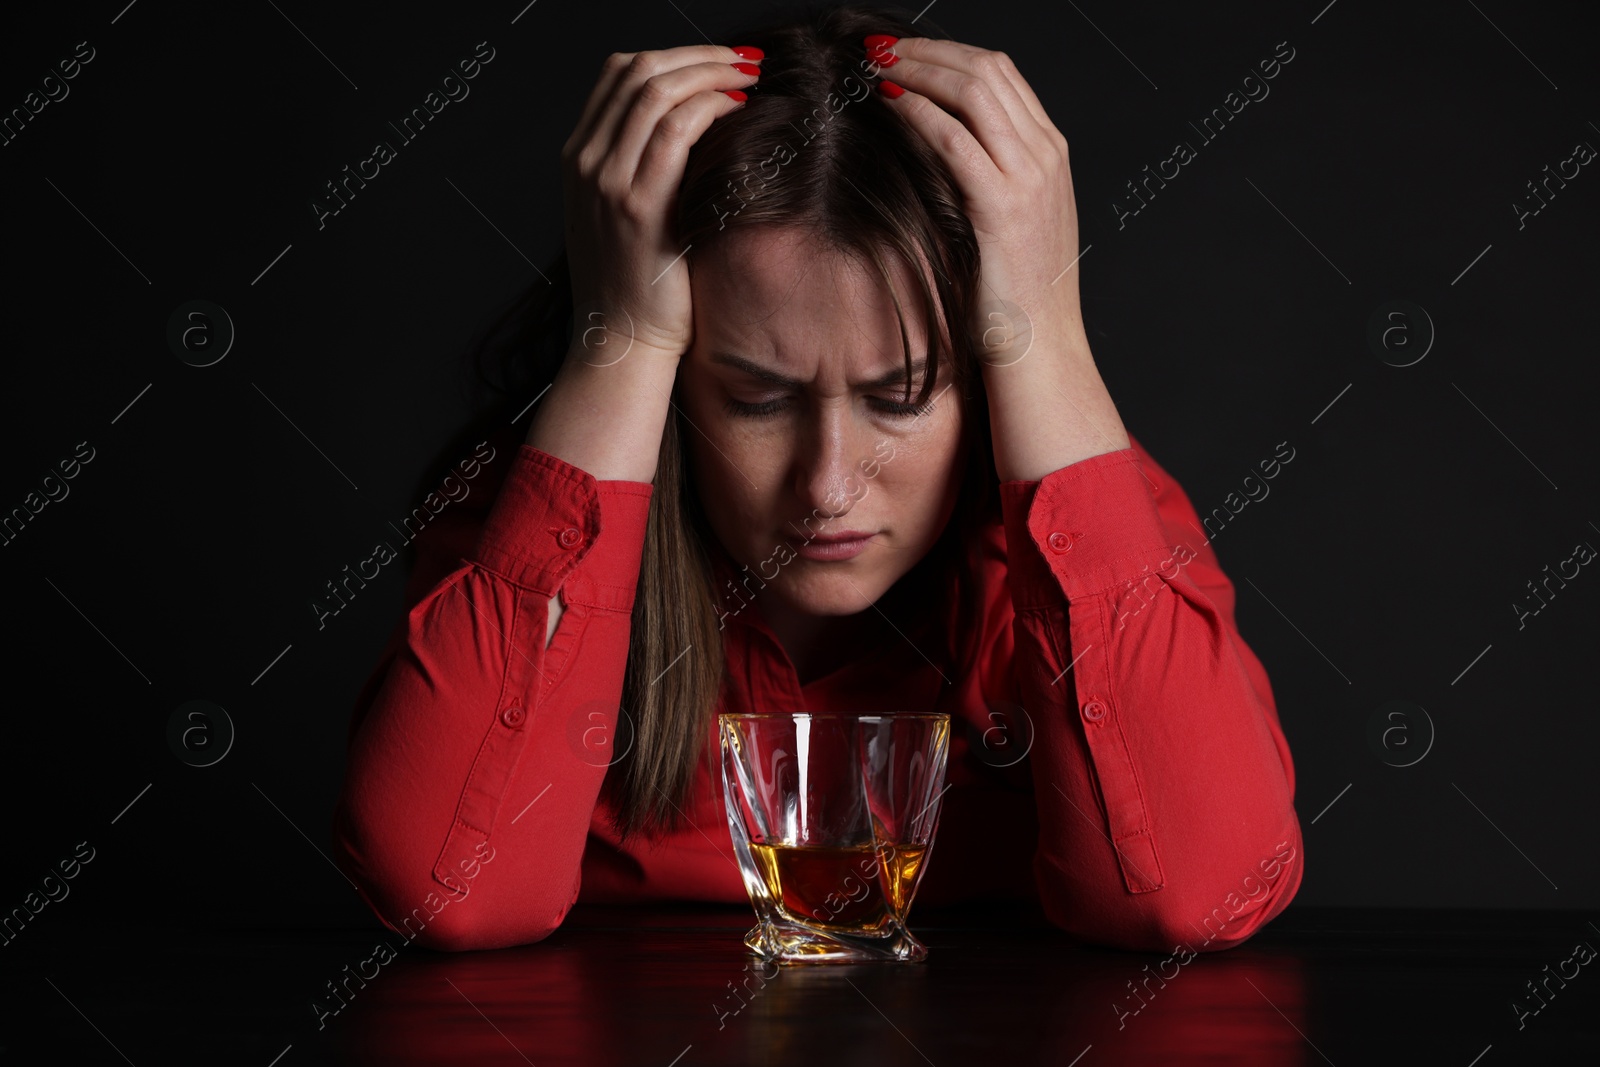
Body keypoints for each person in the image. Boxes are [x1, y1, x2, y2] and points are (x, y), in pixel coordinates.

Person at [330, 3, 1303, 954]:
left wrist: (1042, 333)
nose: (830, 485)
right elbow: (444, 894)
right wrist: (619, 345)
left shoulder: (1076, 528)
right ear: (675, 388)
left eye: (903, 395)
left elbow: (1197, 895)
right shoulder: (540, 507)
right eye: (758, 400)